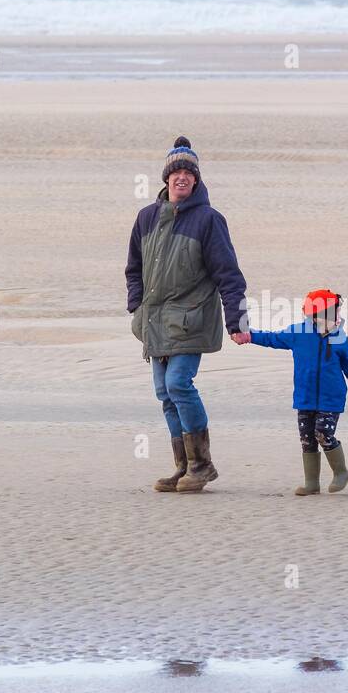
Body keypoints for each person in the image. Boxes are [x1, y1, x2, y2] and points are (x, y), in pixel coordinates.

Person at [126, 137, 247, 493]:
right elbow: (134, 268)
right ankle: (182, 467)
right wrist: (136, 306)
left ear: (196, 180)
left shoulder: (209, 220)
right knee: (165, 393)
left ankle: (201, 465)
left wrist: (237, 322)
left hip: (191, 319)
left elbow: (229, 275)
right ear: (165, 178)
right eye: (175, 171)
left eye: (187, 173)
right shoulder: (147, 217)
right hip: (154, 322)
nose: (181, 177)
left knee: (179, 383)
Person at [232, 289, 348, 495]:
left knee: (323, 433)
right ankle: (311, 483)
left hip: (331, 398)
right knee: (307, 438)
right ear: (316, 315)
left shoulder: (339, 339)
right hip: (305, 397)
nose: (338, 317)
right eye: (334, 313)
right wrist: (249, 336)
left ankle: (341, 473)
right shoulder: (297, 333)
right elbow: (271, 338)